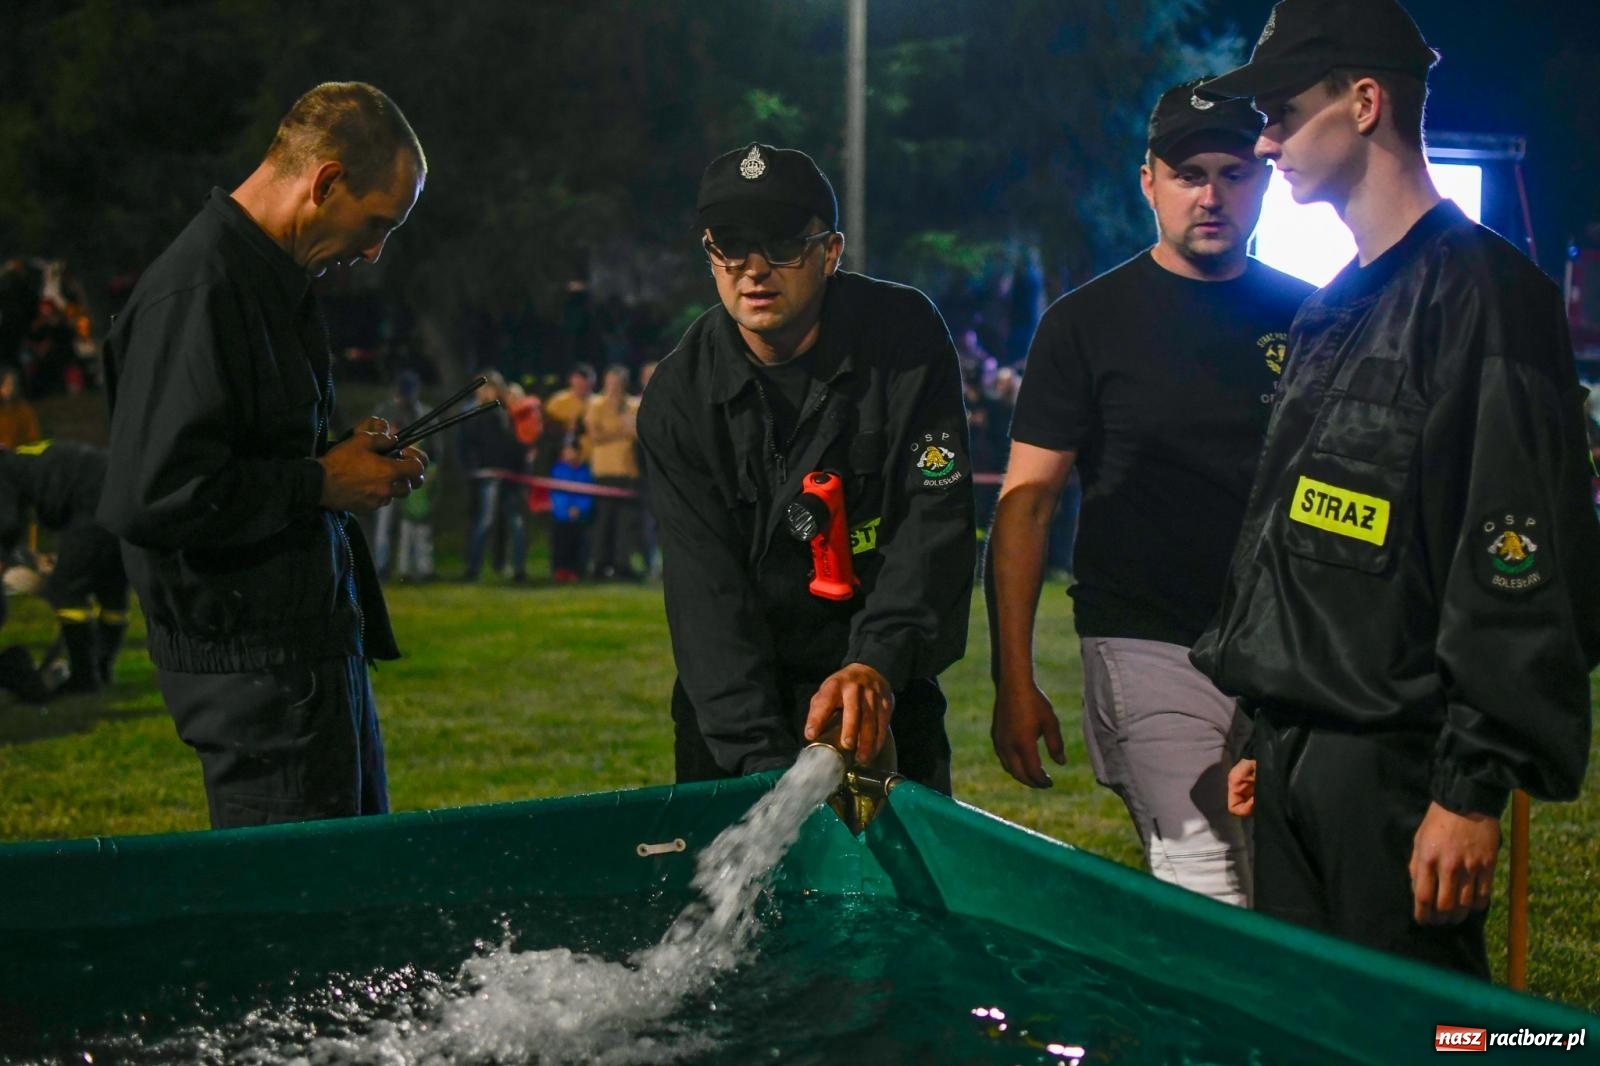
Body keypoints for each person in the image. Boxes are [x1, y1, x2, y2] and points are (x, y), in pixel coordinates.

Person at [1190, 0, 1600, 973]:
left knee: (1425, 1038)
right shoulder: (1334, 305)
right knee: (1304, 1032)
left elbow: (1516, 562)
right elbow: (1287, 537)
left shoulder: (1490, 298)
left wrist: (1467, 790)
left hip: (1395, 775)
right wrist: (1257, 721)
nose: (1266, 140)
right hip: (1291, 766)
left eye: (1284, 111)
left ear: (1364, 101)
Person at [989, 80, 1314, 906]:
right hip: (1149, 645)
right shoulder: (1085, 322)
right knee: (1211, 888)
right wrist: (1013, 680)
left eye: (1234, 173)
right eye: (1189, 173)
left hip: (1290, 654)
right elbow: (1026, 504)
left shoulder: (1313, 317)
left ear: (1265, 181)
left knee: (1295, 894)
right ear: (1149, 182)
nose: (1212, 195)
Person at [97, 81, 429, 829]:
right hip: (256, 677)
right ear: (326, 183)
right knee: (299, 936)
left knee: (352, 910)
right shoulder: (202, 289)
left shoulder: (269, 276)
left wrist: (341, 458)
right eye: (379, 224)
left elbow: (255, 447)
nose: (376, 251)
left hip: (303, 659)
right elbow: (151, 494)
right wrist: (318, 481)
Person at [638, 143, 975, 791]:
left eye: (785, 244)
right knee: (734, 890)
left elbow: (933, 527)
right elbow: (705, 595)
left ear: (832, 252)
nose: (755, 269)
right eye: (731, 245)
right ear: (709, 254)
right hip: (737, 702)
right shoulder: (680, 394)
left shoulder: (903, 338)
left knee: (899, 892)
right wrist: (761, 766)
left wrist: (876, 664)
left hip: (880, 686)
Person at [0, 440, 129, 698]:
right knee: (111, 587)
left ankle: (85, 678)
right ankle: (102, 668)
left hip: (91, 506)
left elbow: (7, 522)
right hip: (123, 493)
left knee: (66, 590)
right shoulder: (25, 458)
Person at [459, 373, 530, 582]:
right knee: (486, 521)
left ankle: (518, 569)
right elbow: (468, 445)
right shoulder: (475, 415)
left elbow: (512, 443)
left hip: (509, 475)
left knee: (515, 522)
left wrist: (520, 464)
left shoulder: (505, 414)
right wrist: (473, 468)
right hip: (488, 474)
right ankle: (473, 568)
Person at [586, 364, 641, 580]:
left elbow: (637, 431)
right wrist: (622, 430)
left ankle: (622, 565)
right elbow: (595, 435)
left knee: (625, 523)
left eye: (617, 383)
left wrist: (612, 430)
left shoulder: (634, 404)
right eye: (610, 383)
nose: (614, 387)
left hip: (628, 470)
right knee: (604, 521)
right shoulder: (596, 404)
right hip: (604, 470)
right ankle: (600, 564)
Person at [548, 438, 595, 583]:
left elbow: (588, 493)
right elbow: (556, 494)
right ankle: (560, 571)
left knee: (579, 545)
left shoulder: (585, 471)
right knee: (561, 545)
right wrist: (565, 509)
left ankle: (577, 571)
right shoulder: (558, 470)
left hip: (579, 518)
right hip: (562, 518)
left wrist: (579, 509)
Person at [0, 367, 42, 450]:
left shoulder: (23, 410)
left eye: (10, 384)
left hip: (19, 458)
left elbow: (33, 438)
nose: (7, 389)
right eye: (3, 385)